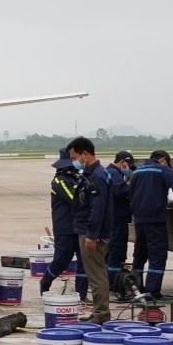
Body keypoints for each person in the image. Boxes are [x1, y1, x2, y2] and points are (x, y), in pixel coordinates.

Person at [66, 136, 114, 324]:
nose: (74, 161)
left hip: (93, 233)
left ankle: (101, 313)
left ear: (85, 154)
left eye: (75, 157)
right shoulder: (90, 174)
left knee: (96, 274)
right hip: (87, 230)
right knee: (94, 272)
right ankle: (98, 311)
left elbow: (98, 208)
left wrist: (92, 234)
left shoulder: (98, 176)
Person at [129, 149, 173, 300]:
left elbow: (131, 192)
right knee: (157, 255)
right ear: (162, 159)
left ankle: (136, 289)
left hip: (139, 218)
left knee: (139, 255)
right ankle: (152, 292)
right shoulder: (162, 169)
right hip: (155, 219)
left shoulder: (137, 171)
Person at [39, 148, 88, 302]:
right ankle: (45, 282)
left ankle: (82, 293)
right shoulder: (59, 181)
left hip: (79, 226)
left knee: (83, 260)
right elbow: (73, 198)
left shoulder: (79, 179)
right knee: (62, 260)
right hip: (65, 227)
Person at [105, 151, 135, 295]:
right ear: (123, 161)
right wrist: (134, 186)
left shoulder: (108, 171)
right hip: (117, 219)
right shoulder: (114, 173)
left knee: (109, 252)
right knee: (116, 252)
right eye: (128, 164)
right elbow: (121, 191)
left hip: (111, 218)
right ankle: (113, 284)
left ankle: (107, 281)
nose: (128, 167)